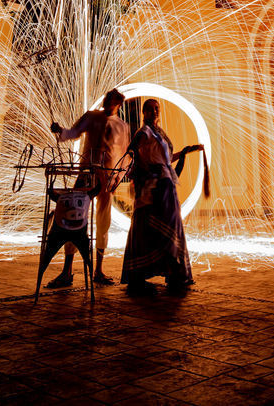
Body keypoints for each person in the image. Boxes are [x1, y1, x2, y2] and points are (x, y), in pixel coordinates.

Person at [46, 87, 131, 287]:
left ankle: (98, 270)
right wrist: (60, 131)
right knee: (74, 218)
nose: (106, 103)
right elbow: (73, 132)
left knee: (103, 223)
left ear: (118, 104)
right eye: (106, 99)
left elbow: (126, 155)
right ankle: (67, 271)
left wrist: (119, 177)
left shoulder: (123, 126)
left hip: (107, 178)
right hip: (85, 174)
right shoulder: (91, 117)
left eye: (111, 101)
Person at [121, 98, 202, 294]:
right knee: (151, 226)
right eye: (149, 109)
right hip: (155, 186)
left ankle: (173, 273)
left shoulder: (159, 133)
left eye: (156, 108)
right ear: (143, 113)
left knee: (169, 227)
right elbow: (132, 150)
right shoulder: (145, 132)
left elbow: (165, 160)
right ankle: (142, 276)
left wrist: (184, 152)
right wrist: (144, 170)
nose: (154, 112)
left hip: (166, 184)